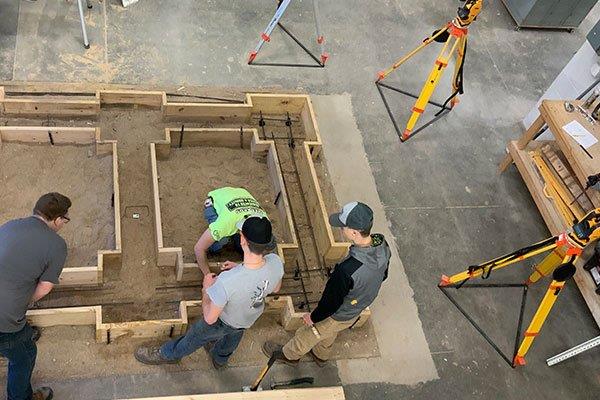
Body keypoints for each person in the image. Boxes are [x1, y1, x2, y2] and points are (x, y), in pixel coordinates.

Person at [135, 216, 284, 369]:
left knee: (194, 336)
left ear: (243, 241)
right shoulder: (276, 262)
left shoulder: (226, 282)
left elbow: (210, 318)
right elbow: (275, 288)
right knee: (233, 337)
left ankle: (168, 354)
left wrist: (206, 289)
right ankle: (220, 360)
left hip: (222, 322)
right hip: (247, 319)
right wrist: (240, 267)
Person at [262, 201, 390, 366]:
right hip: (356, 308)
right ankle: (321, 355)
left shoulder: (347, 270)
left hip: (340, 312)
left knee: (309, 333)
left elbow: (331, 303)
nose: (341, 230)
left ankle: (289, 356)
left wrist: (313, 317)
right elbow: (384, 275)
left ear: (354, 232)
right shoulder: (382, 244)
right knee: (330, 331)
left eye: (343, 227)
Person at [0, 192, 72, 400]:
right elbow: (45, 288)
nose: (64, 223)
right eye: (65, 219)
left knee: (19, 340)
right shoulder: (57, 245)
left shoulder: (9, 226)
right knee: (25, 357)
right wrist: (25, 299)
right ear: (58, 219)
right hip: (5, 323)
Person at [194, 187, 269, 276]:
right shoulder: (225, 224)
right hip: (214, 202)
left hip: (240, 194)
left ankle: (237, 241)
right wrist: (207, 275)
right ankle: (212, 249)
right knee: (223, 240)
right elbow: (198, 249)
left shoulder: (264, 222)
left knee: (249, 248)